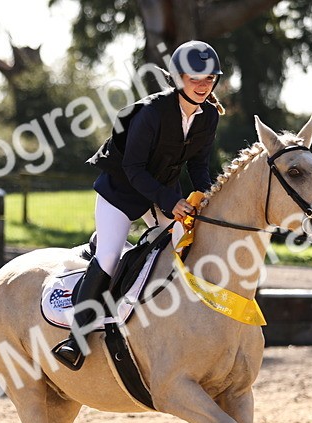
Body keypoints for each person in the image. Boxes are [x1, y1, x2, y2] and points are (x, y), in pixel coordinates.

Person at [53, 40, 224, 370]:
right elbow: (133, 169)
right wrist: (170, 202)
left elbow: (198, 166)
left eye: (209, 79)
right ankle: (76, 339)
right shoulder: (151, 113)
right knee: (109, 256)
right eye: (195, 79)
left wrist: (205, 195)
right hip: (122, 191)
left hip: (163, 191)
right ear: (177, 78)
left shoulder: (208, 118)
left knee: (184, 249)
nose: (203, 86)